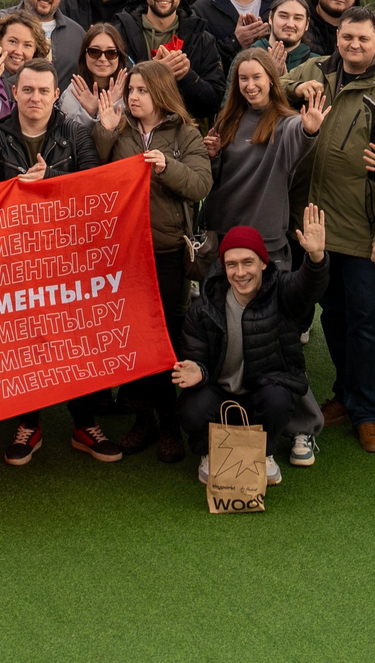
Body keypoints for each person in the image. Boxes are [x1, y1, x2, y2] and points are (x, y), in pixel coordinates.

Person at [290, 6, 375, 451]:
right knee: (335, 314)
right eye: (347, 38)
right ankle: (344, 395)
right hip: (317, 223)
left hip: (365, 228)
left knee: (366, 320)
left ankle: (367, 411)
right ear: (337, 38)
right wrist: (294, 86)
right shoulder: (317, 69)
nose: (354, 46)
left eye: (363, 39)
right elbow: (269, 85)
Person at [0, 62, 110, 464]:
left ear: (55, 93)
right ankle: (28, 423)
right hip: (14, 262)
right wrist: (16, 190)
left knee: (75, 340)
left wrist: (49, 187)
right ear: (14, 93)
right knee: (23, 343)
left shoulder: (74, 133)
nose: (34, 98)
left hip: (68, 259)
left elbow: (93, 189)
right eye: (27, 90)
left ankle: (84, 423)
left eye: (42, 91)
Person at [94, 59, 214, 460]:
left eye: (142, 90)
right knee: (131, 337)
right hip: (124, 251)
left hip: (164, 252)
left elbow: (200, 184)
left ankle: (168, 422)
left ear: (161, 93)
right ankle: (144, 417)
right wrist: (103, 132)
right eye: (131, 90)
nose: (134, 97)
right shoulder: (120, 128)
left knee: (163, 336)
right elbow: (94, 173)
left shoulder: (186, 133)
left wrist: (167, 167)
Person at [173, 209, 331, 483]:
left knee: (278, 400)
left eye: (248, 262)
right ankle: (210, 452)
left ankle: (264, 452)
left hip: (263, 390)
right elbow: (195, 354)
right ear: (223, 266)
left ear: (263, 264)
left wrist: (316, 258)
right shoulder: (203, 308)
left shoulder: (281, 291)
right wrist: (198, 369)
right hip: (220, 394)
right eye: (232, 264)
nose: (241, 272)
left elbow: (307, 288)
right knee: (191, 407)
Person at [202, 49, 323, 273]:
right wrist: (214, 155)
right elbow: (213, 178)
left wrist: (309, 130)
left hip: (264, 239)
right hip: (221, 233)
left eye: (257, 77)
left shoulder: (286, 122)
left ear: (270, 79)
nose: (250, 85)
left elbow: (298, 133)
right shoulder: (226, 120)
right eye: (243, 78)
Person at [136, 0, 224, 122]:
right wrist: (156, 74)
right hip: (133, 131)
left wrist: (186, 75)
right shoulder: (122, 33)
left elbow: (214, 102)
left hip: (183, 133)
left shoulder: (202, 40)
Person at [58, 20, 135, 130]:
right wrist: (90, 113)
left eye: (111, 53)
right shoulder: (73, 92)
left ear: (120, 56)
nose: (103, 59)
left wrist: (110, 106)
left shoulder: (130, 91)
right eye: (94, 52)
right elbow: (69, 138)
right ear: (84, 55)